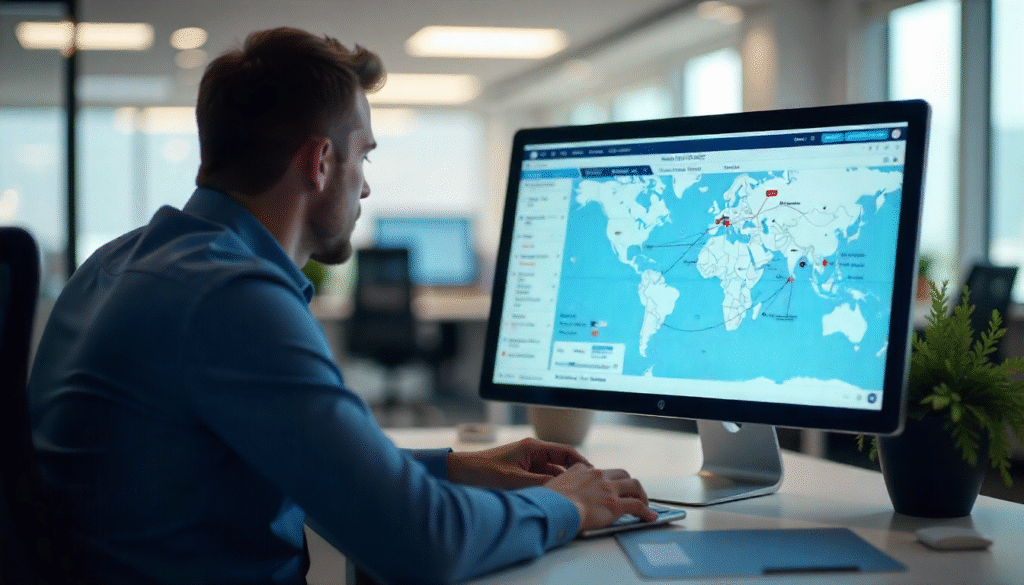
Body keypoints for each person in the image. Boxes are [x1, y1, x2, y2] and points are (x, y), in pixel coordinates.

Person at [28, 27, 657, 585]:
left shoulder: (118, 263)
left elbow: (303, 464)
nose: (367, 184)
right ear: (320, 161)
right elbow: (422, 543)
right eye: (365, 156)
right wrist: (569, 504)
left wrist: (460, 466)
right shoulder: (229, 297)